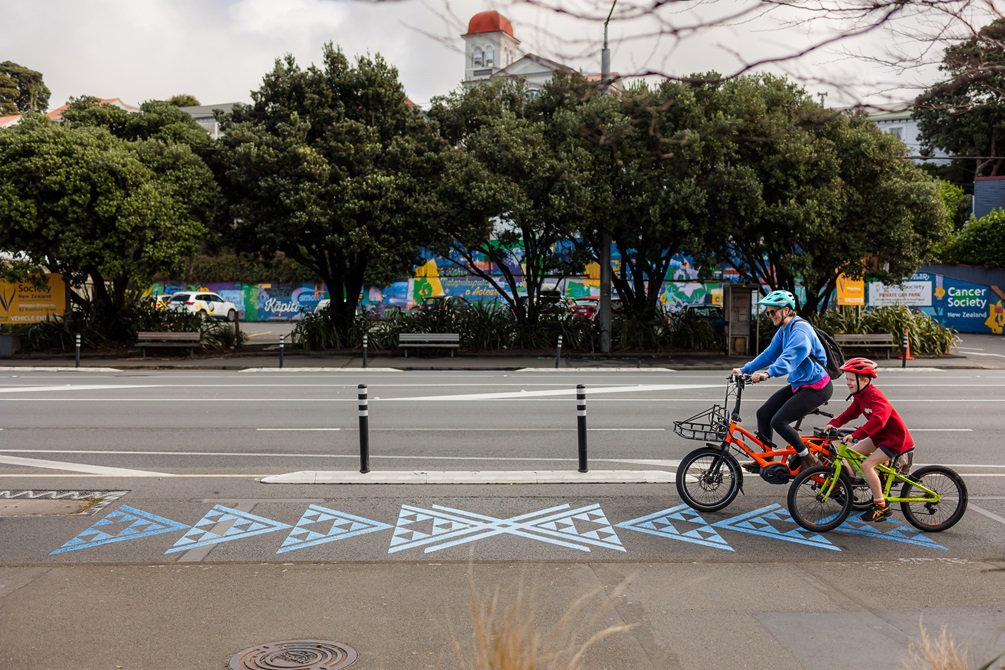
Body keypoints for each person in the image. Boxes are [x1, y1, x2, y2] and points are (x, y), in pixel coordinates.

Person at [731, 290, 834, 473]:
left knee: (779, 421)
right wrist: (745, 369)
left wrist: (768, 374)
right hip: (801, 384)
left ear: (786, 310)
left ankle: (808, 458)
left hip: (817, 387)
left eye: (773, 312)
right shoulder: (784, 330)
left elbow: (790, 358)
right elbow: (770, 354)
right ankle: (767, 457)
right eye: (768, 312)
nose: (770, 316)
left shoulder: (800, 330)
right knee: (763, 414)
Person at [824, 357, 915, 523]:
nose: (848, 383)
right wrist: (834, 423)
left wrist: (857, 434)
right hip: (879, 437)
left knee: (867, 465)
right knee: (851, 454)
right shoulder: (860, 395)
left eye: (851, 380)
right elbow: (851, 413)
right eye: (847, 379)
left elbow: (879, 420)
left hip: (893, 439)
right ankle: (880, 477)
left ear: (865, 380)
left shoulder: (875, 396)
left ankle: (881, 506)